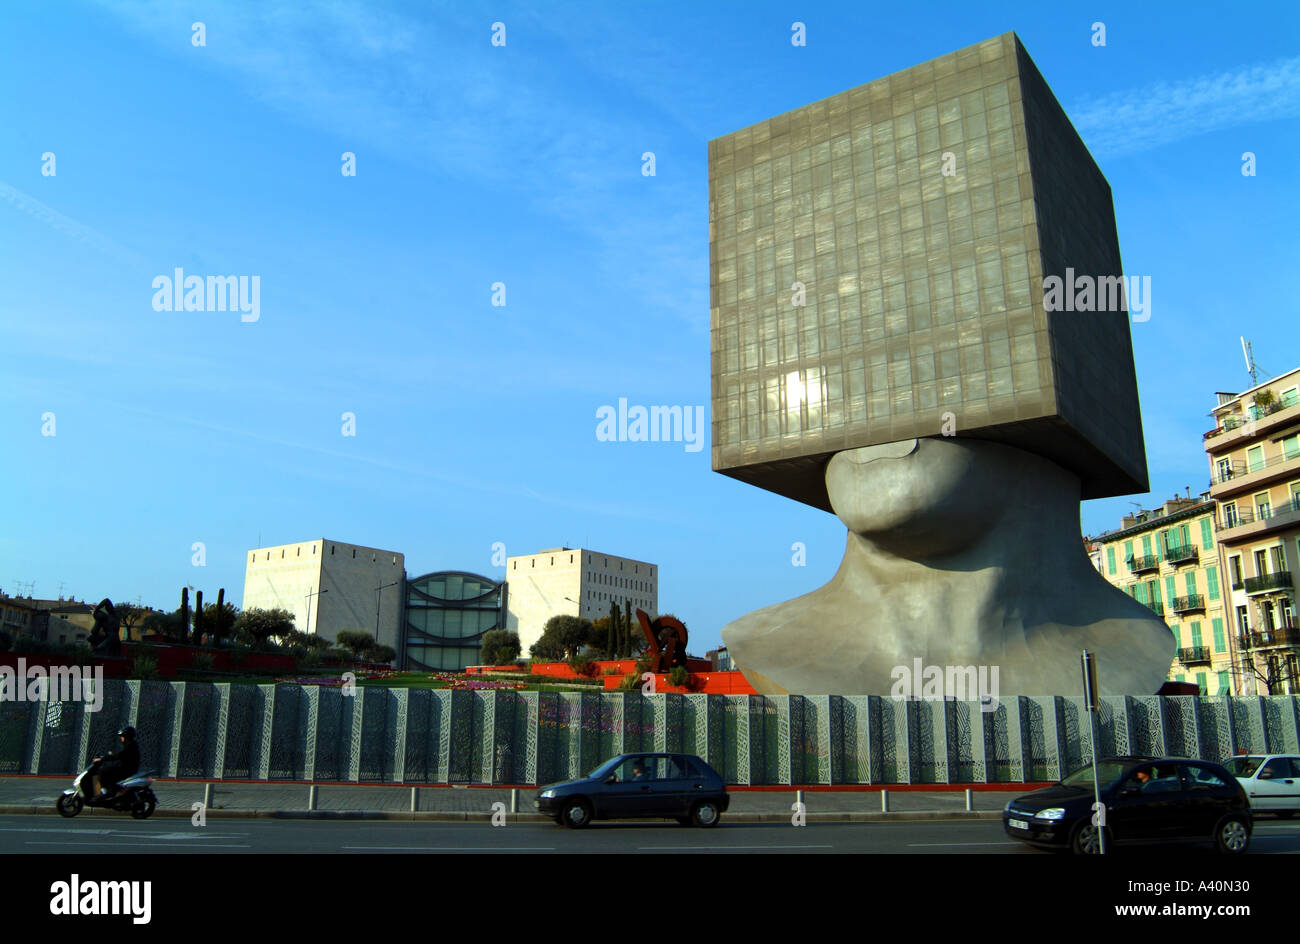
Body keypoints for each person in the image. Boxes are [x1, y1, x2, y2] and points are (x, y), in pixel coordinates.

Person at [91, 727, 140, 799]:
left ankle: (102, 793)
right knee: (106, 771)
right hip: (126, 768)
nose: (121, 738)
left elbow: (119, 756)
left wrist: (103, 759)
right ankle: (110, 791)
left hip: (126, 769)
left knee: (101, 772)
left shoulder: (130, 745)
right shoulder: (131, 744)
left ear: (127, 736)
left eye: (122, 736)